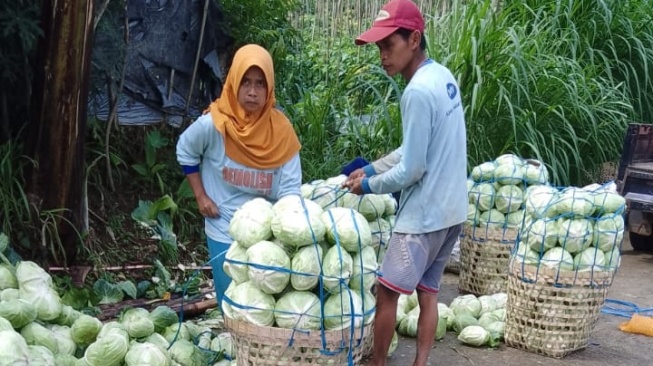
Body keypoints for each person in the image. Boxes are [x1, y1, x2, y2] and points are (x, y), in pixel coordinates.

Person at [342, 1, 468, 365]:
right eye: (379, 48)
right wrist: (370, 169)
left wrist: (366, 187)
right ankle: (420, 363)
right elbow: (411, 148)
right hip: (453, 210)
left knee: (386, 293)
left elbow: (412, 170)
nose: (382, 56)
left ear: (414, 39)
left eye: (388, 46)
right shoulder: (442, 76)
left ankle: (378, 363)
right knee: (429, 293)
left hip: (424, 218)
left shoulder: (414, 92)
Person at [176, 44, 302, 305]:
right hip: (223, 229)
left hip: (268, 237)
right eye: (245, 82)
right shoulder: (215, 124)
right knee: (231, 304)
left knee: (264, 308)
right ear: (233, 82)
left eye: (260, 83)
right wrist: (200, 196)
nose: (253, 92)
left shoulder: (281, 132)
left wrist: (284, 233)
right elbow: (185, 150)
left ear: (269, 88)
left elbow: (290, 190)